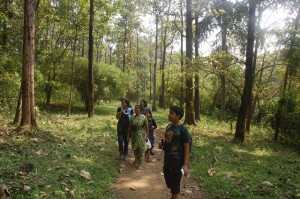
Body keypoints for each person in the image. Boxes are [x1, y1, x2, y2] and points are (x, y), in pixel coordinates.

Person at [159, 106, 190, 199]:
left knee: (175, 187)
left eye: (171, 113)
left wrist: (185, 164)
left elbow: (186, 148)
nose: (169, 114)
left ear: (178, 116)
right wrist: (162, 144)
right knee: (170, 183)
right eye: (169, 112)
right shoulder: (169, 126)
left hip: (177, 162)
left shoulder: (183, 129)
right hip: (167, 160)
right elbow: (168, 141)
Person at [127, 104, 149, 170]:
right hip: (134, 135)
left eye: (137, 108)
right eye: (135, 108)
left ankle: (140, 164)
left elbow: (147, 127)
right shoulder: (132, 118)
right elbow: (129, 127)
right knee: (135, 148)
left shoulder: (144, 117)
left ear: (140, 109)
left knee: (141, 149)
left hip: (141, 135)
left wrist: (147, 136)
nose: (136, 110)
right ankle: (136, 160)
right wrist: (128, 136)